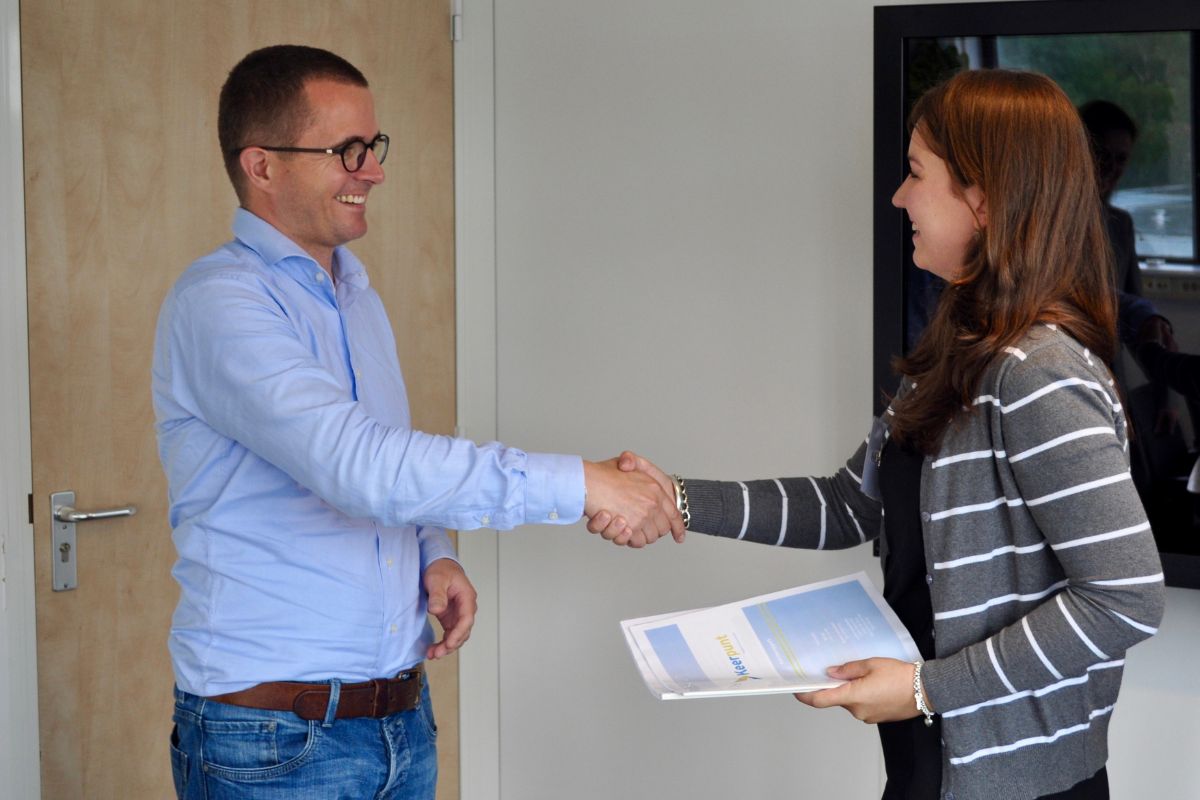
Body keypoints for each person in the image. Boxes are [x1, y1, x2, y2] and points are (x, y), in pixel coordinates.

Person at [596, 70, 1165, 799]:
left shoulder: (1037, 373)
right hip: (931, 761)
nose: (899, 196)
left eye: (916, 173)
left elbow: (1126, 598)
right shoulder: (961, 343)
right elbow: (852, 505)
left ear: (983, 199)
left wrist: (927, 689)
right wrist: (675, 499)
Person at [152, 44, 682, 800]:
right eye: (347, 151)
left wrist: (431, 552)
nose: (373, 171)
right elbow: (359, 467)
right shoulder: (222, 305)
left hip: (397, 719)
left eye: (374, 147)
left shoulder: (354, 294)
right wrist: (582, 483)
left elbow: (386, 465)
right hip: (273, 739)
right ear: (262, 165)